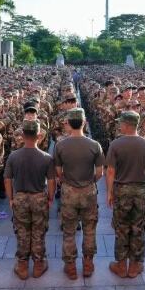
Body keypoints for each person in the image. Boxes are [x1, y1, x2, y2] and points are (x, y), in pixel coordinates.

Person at [106, 111, 145, 279]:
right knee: (138, 228)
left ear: (126, 125)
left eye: (121, 123)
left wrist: (109, 192)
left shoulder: (115, 144)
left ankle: (121, 266)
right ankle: (135, 266)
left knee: (121, 227)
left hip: (122, 189)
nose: (119, 125)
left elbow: (110, 171)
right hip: (141, 189)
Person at [54, 108, 104, 280]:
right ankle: (88, 264)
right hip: (89, 191)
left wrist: (68, 180)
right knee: (89, 230)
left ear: (69, 123)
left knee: (69, 231)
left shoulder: (60, 145)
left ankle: (71, 266)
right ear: (84, 122)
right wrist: (89, 181)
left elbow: (58, 172)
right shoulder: (94, 145)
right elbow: (100, 173)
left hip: (68, 192)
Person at [5, 120, 56, 280]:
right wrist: (50, 198)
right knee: (39, 232)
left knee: (22, 232)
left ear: (22, 135)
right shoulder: (46, 157)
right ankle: (39, 264)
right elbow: (52, 181)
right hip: (39, 197)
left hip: (20, 197)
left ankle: (22, 265)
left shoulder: (13, 156)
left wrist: (11, 198)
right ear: (39, 136)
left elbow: (7, 179)